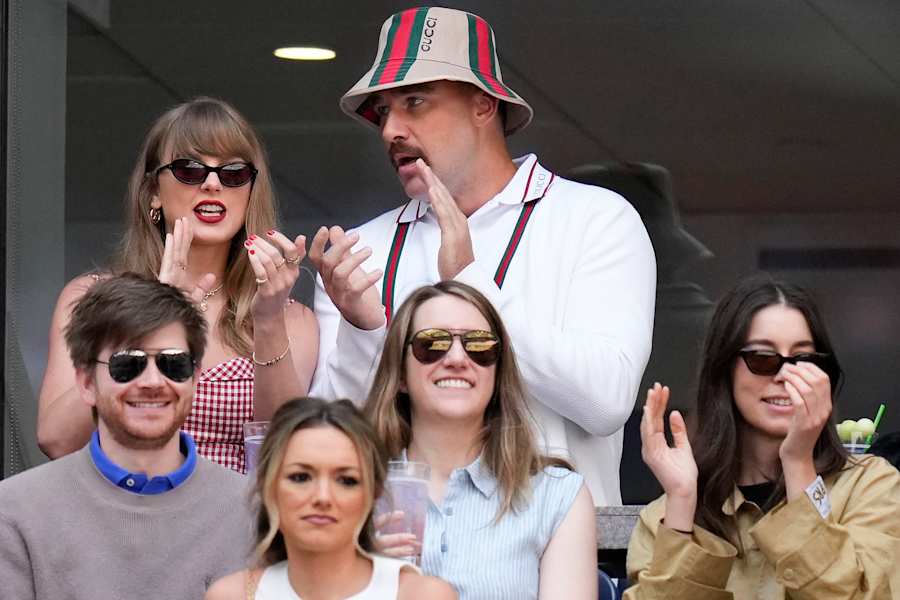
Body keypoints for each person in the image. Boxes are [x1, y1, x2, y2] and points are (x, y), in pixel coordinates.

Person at [308, 6, 655, 507]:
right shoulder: (361, 249)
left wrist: (471, 280)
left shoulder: (596, 219)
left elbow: (605, 402)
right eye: (383, 111)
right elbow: (333, 445)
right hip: (402, 544)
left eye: (415, 102)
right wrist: (363, 332)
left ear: (483, 105)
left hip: (557, 546)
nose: (390, 130)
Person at [38, 97, 318, 472]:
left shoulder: (291, 318)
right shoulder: (88, 298)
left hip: (236, 507)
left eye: (234, 173)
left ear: (251, 191)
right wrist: (148, 318)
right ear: (153, 191)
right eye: (190, 169)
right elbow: (56, 439)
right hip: (127, 504)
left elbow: (285, 452)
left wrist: (268, 321)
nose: (213, 184)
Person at [626, 274, 900, 599]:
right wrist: (683, 502)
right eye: (762, 359)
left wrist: (798, 461)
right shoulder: (666, 512)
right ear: (724, 371)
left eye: (804, 360)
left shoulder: (871, 486)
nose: (785, 375)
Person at [0, 275, 254, 599]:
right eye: (127, 365)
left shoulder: (256, 513)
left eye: (173, 364)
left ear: (195, 378)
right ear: (87, 383)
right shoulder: (15, 512)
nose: (152, 382)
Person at [363, 281, 596, 599]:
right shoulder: (349, 489)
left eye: (479, 345)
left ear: (498, 374)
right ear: (400, 373)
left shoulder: (555, 495)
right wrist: (357, 579)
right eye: (432, 343)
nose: (457, 359)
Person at [206, 397, 456, 600]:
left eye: (346, 480)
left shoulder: (421, 595)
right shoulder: (231, 595)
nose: (322, 497)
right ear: (267, 486)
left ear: (374, 493)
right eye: (300, 477)